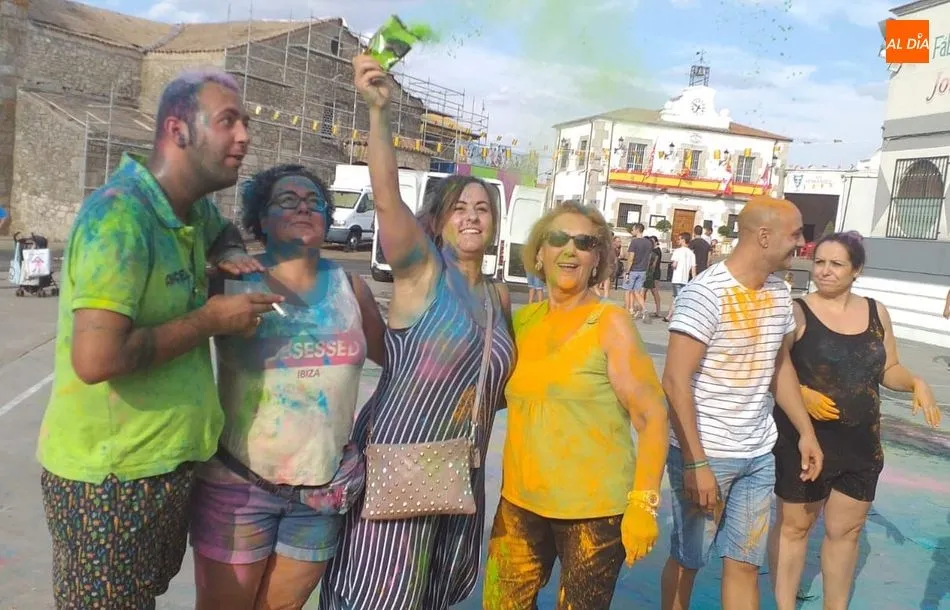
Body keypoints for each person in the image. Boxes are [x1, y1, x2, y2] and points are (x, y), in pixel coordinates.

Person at [36, 70, 281, 609]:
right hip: (110, 480)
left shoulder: (189, 209)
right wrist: (211, 320)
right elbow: (96, 358)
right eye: (228, 121)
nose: (244, 136)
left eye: (245, 122)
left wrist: (227, 250)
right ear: (178, 130)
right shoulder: (120, 218)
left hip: (163, 466)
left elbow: (223, 229)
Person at [319, 54, 515, 610]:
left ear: (495, 223)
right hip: (398, 461)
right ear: (440, 220)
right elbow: (385, 197)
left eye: (482, 208)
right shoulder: (423, 272)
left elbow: (494, 388)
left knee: (432, 592)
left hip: (460, 466)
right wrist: (379, 112)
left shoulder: (498, 297)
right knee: (381, 590)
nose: (472, 216)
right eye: (459, 208)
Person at [189, 164, 387, 609]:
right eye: (287, 200)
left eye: (314, 202)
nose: (303, 207)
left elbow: (396, 362)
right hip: (239, 488)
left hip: (321, 494)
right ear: (260, 219)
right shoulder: (233, 282)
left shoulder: (351, 288)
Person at [483, 202, 668, 609]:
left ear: (597, 258)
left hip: (593, 514)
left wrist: (644, 503)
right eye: (558, 239)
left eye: (584, 243)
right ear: (539, 253)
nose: (570, 250)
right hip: (519, 504)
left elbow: (651, 415)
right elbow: (492, 396)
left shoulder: (610, 322)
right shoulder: (523, 321)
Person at [660, 195, 824, 610]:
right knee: (688, 560)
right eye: (795, 234)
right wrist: (696, 463)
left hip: (757, 454)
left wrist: (806, 432)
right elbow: (675, 381)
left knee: (746, 564)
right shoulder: (705, 294)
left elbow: (779, 367)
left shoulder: (779, 293)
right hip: (706, 454)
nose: (801, 243)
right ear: (764, 236)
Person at [768, 231, 941, 610]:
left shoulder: (876, 312)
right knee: (795, 528)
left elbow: (888, 369)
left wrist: (915, 381)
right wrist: (802, 393)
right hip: (805, 442)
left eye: (836, 264)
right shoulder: (797, 311)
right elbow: (773, 369)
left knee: (846, 532)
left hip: (861, 444)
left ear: (856, 270)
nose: (825, 271)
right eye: (819, 262)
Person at [663, 232, 695, 323]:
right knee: (679, 298)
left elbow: (674, 265)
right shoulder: (691, 254)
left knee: (677, 298)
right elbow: (693, 270)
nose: (678, 241)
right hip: (685, 279)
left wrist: (673, 266)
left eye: (680, 239)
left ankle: (674, 316)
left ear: (683, 240)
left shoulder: (677, 251)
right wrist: (694, 280)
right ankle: (669, 316)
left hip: (677, 278)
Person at [624, 222, 653, 318]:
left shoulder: (634, 242)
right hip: (643, 270)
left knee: (628, 291)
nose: (632, 231)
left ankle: (627, 311)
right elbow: (649, 258)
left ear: (637, 230)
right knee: (637, 292)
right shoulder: (648, 243)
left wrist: (627, 272)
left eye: (633, 229)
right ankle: (644, 309)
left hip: (633, 270)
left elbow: (631, 258)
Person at [643, 235, 663, 316]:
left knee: (652, 291)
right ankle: (657, 310)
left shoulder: (655, 251)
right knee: (649, 291)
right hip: (653, 272)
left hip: (653, 273)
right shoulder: (654, 251)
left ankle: (657, 310)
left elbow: (653, 264)